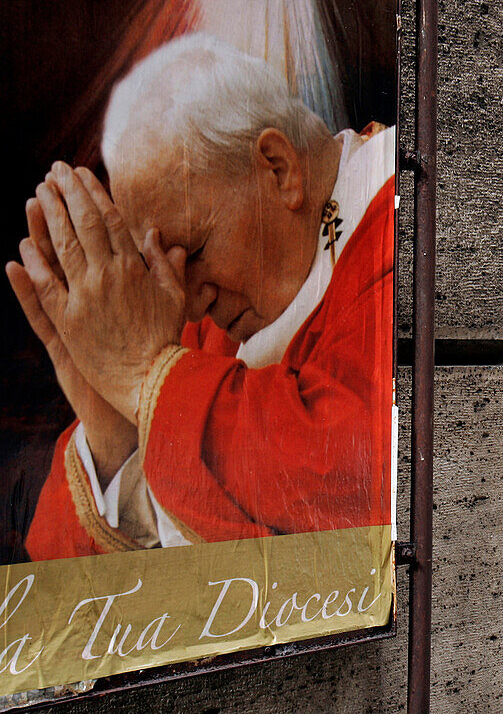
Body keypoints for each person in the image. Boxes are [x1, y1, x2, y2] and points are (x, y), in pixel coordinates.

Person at [6, 34, 394, 558]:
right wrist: (112, 431)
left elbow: (369, 479)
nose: (187, 304)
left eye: (195, 249)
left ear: (278, 169)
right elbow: (64, 594)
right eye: (162, 263)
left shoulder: (412, 217)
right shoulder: (205, 322)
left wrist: (145, 380)